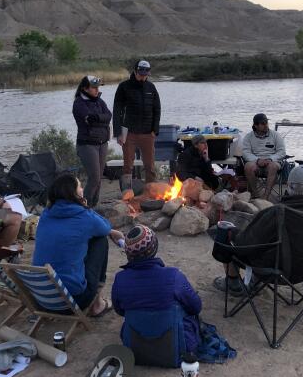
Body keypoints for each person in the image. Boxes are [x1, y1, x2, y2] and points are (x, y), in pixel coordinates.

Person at [211, 164, 303, 296]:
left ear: (288, 186)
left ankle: (233, 282)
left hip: (282, 271)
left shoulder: (277, 213)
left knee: (226, 233)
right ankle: (254, 280)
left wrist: (232, 232)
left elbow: (246, 242)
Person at [32, 173, 125, 316]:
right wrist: (85, 207)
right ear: (73, 194)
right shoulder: (83, 216)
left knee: (77, 245)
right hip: (72, 301)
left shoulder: (46, 214)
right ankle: (97, 305)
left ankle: (97, 302)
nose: (82, 189)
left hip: (43, 298)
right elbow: (105, 227)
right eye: (80, 187)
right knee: (100, 240)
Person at [111, 225, 203, 355]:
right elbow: (196, 307)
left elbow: (120, 310)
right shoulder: (174, 276)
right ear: (154, 247)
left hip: (136, 348)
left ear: (129, 254)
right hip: (176, 348)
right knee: (185, 301)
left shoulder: (120, 279)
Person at [113, 59, 161, 191]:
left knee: (150, 166)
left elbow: (157, 109)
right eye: (140, 73)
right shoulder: (124, 87)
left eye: (145, 74)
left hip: (147, 133)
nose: (143, 76)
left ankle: (151, 192)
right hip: (129, 133)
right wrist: (118, 133)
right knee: (128, 165)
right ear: (135, 71)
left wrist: (154, 130)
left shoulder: (151, 87)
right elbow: (117, 111)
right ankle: (127, 193)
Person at [72, 75, 112, 207]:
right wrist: (101, 119)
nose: (96, 90)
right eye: (93, 87)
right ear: (85, 88)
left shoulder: (99, 101)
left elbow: (109, 116)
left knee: (99, 178)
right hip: (87, 145)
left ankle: (94, 205)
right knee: (94, 177)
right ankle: (85, 207)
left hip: (102, 143)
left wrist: (98, 118)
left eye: (97, 87)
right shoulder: (79, 103)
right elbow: (89, 119)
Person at [241, 113, 286, 199]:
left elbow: (282, 152)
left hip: (272, 162)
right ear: (256, 125)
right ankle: (255, 194)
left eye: (266, 122)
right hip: (255, 162)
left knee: (273, 167)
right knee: (248, 166)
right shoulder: (248, 137)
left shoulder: (276, 135)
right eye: (263, 123)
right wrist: (257, 160)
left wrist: (270, 159)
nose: (266, 125)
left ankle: (266, 197)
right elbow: (245, 152)